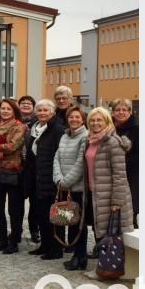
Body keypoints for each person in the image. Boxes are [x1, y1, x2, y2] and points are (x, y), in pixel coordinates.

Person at [85, 107, 135, 275]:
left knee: (110, 235)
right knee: (101, 232)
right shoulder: (91, 140)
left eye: (99, 120)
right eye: (92, 120)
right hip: (96, 193)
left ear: (107, 122)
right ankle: (103, 267)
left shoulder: (113, 142)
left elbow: (120, 175)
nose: (95, 123)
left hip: (110, 196)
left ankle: (108, 269)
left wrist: (116, 202)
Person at [25, 99, 66, 260]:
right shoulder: (34, 129)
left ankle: (56, 248)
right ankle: (45, 245)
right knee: (41, 215)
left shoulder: (57, 129)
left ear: (52, 112)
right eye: (39, 110)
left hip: (51, 178)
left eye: (45, 110)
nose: (42, 113)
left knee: (55, 216)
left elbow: (60, 155)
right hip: (37, 177)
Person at [0, 98, 26, 254]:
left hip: (13, 171)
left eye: (8, 109)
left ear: (14, 110)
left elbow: (13, 146)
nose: (5, 111)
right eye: (3, 108)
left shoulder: (19, 126)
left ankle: (14, 240)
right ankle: (2, 239)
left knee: (14, 209)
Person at [53, 105, 89, 270]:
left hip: (78, 188)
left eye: (77, 117)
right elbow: (57, 158)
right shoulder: (64, 136)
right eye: (71, 117)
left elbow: (81, 163)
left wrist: (66, 182)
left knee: (78, 224)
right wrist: (58, 178)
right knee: (70, 221)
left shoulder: (85, 136)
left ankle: (80, 255)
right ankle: (78, 255)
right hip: (64, 186)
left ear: (82, 119)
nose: (74, 120)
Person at [111, 98, 138, 227]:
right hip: (111, 177)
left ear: (130, 112)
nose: (121, 112)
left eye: (124, 109)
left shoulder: (137, 130)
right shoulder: (109, 129)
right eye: (117, 109)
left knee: (130, 211)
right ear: (112, 112)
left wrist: (120, 164)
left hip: (131, 177)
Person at [18, 95, 40, 244]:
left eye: (29, 103)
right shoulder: (14, 120)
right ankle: (17, 230)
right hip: (17, 166)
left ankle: (34, 230)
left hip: (32, 167)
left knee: (35, 202)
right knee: (17, 202)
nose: (26, 105)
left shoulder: (38, 122)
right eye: (23, 103)